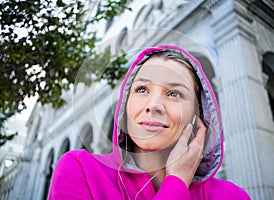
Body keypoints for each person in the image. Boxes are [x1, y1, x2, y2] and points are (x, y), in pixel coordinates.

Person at [48, 44, 251, 199]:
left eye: (174, 93)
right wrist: (177, 183)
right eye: (142, 89)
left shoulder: (232, 196)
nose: (153, 105)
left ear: (198, 114)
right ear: (126, 105)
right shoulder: (81, 169)